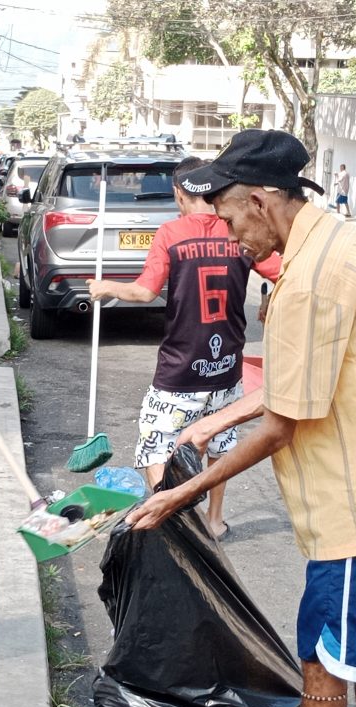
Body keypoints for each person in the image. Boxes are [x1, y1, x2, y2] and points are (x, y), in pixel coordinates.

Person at [125, 129, 356, 707]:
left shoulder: (308, 279)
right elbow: (311, 373)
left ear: (259, 200)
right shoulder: (346, 238)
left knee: (325, 663)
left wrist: (182, 493)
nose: (226, 236)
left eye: (226, 218)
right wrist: (212, 420)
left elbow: (283, 425)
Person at [86, 157, 279, 540]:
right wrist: (271, 300)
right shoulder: (236, 231)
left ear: (180, 193)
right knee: (219, 442)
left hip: (181, 365)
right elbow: (284, 268)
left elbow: (144, 291)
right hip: (226, 362)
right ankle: (214, 519)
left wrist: (104, 287)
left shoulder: (171, 233)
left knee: (155, 440)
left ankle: (170, 522)